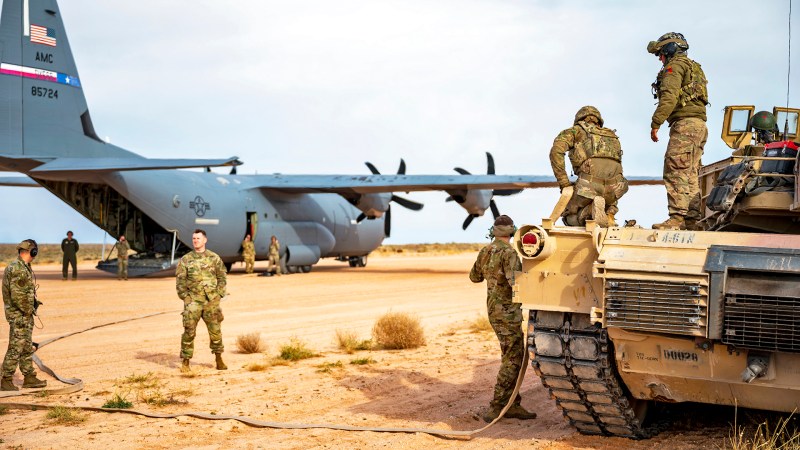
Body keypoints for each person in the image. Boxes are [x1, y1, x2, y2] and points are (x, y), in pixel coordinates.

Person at [469, 215, 536, 422]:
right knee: (513, 359)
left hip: (494, 311)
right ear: (511, 231)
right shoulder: (509, 253)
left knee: (510, 355)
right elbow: (516, 282)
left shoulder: (485, 251)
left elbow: (474, 277)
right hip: (507, 313)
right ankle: (497, 406)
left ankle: (512, 404)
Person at [648, 32, 709, 230]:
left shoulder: (674, 67)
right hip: (699, 125)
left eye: (661, 54)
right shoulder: (693, 66)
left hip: (685, 125)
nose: (660, 58)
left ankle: (677, 218)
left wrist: (656, 123)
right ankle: (691, 219)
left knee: (675, 169)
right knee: (690, 173)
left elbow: (669, 96)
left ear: (669, 50)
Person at [549, 105, 629, 227]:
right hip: (616, 189)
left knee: (568, 216)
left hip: (587, 186)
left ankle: (590, 211)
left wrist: (564, 183)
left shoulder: (575, 131)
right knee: (607, 195)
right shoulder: (611, 135)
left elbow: (556, 151)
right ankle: (610, 214)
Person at [175, 229, 227, 373]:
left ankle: (219, 359)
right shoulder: (186, 259)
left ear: (205, 240)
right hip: (194, 302)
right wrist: (186, 298)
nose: (195, 241)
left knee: (215, 331)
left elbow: (222, 277)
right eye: (194, 238)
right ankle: (186, 361)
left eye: (198, 238)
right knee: (189, 331)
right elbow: (180, 281)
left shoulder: (214, 258)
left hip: (211, 301)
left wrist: (219, 295)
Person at [2, 240, 47, 391]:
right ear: (31, 251)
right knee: (16, 348)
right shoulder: (17, 269)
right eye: (35, 251)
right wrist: (28, 310)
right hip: (19, 316)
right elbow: (18, 296)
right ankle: (6, 379)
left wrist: (33, 304)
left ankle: (29, 377)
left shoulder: (23, 267)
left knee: (26, 347)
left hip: (24, 315)